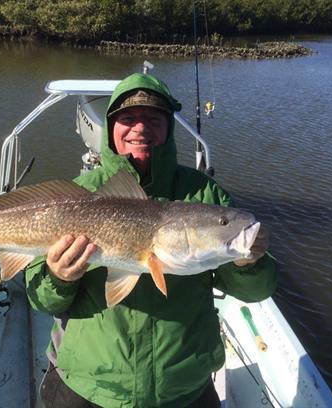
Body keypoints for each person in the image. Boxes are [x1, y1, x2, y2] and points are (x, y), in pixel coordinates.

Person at [25, 73, 277, 407]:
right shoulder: (82, 193)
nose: (140, 128)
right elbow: (41, 301)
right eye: (128, 119)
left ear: (169, 128)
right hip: (89, 384)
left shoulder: (203, 193)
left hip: (182, 387)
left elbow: (255, 291)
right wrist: (58, 277)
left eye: (154, 119)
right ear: (110, 128)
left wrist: (249, 263)